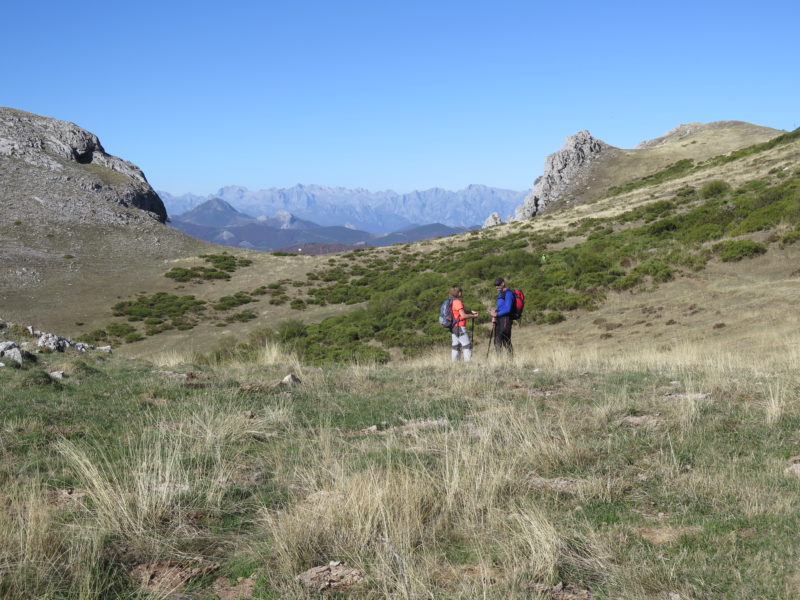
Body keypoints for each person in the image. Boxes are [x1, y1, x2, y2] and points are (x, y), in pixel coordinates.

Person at [449, 285, 478, 361]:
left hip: (453, 326)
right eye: (460, 291)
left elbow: (459, 311)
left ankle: (454, 363)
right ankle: (468, 364)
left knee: (455, 346)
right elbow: (463, 315)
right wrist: (473, 316)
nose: (461, 293)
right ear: (458, 292)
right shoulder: (457, 302)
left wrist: (470, 312)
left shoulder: (451, 301)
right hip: (459, 326)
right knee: (467, 345)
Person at [489, 277, 514, 354]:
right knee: (497, 340)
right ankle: (499, 359)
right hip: (499, 319)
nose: (496, 287)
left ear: (503, 283)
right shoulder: (500, 294)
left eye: (498, 285)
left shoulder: (508, 293)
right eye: (495, 285)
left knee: (505, 340)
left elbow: (508, 308)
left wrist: (496, 314)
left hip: (506, 319)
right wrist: (495, 314)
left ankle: (510, 359)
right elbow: (501, 307)